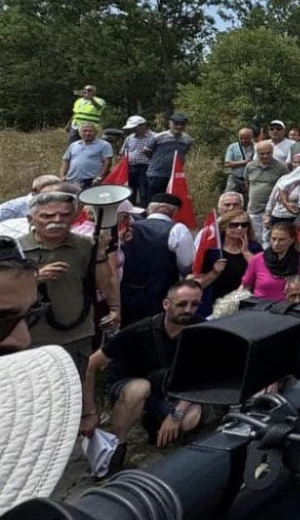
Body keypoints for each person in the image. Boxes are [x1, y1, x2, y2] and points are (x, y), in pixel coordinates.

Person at [81, 280, 204, 477]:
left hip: (172, 391)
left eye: (195, 304)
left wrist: (176, 414)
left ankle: (158, 424)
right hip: (132, 386)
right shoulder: (139, 331)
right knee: (139, 388)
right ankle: (115, 447)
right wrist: (90, 412)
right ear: (166, 304)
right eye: (182, 304)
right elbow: (90, 364)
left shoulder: (202, 330)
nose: (188, 310)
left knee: (189, 419)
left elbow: (202, 377)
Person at [20, 191, 119, 372]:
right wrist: (35, 278)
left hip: (77, 336)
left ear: (74, 216)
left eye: (65, 215)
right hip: (32, 338)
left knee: (75, 384)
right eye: (47, 216)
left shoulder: (85, 245)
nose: (57, 220)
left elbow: (103, 283)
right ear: (31, 219)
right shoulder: (16, 249)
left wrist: (100, 253)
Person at [118, 193, 193, 326]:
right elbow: (186, 264)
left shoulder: (130, 227)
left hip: (126, 293)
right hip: (160, 295)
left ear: (150, 209)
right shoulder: (178, 230)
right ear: (173, 211)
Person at [191, 208, 262, 318]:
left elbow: (263, 272)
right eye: (234, 225)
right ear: (224, 226)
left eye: (244, 225)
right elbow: (196, 283)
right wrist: (214, 273)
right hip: (213, 307)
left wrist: (246, 253)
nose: (240, 228)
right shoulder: (212, 250)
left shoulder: (254, 248)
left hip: (244, 306)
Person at [242, 222, 300, 302]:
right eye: (273, 239)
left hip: (288, 307)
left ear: (292, 240)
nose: (276, 243)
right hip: (261, 307)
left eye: (281, 240)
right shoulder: (257, 259)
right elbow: (246, 287)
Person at [245, 140, 289, 241]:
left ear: (272, 152)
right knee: (254, 238)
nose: (265, 156)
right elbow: (247, 183)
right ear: (257, 153)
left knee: (269, 239)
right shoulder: (250, 166)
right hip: (254, 209)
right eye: (262, 153)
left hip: (273, 211)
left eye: (268, 153)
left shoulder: (281, 167)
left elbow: (286, 188)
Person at [143, 113, 193, 197]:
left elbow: (185, 152)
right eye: (176, 124)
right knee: (154, 200)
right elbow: (146, 150)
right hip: (156, 174)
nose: (179, 127)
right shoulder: (159, 137)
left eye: (182, 124)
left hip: (175, 176)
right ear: (170, 123)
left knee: (171, 200)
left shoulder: (188, 140)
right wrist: (157, 160)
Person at [60, 122, 113, 187]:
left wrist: (99, 177)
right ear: (79, 133)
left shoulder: (104, 145)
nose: (87, 133)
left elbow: (107, 163)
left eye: (90, 131)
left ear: (96, 132)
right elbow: (66, 160)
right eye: (84, 131)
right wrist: (62, 176)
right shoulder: (73, 145)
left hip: (91, 180)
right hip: (72, 179)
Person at [222, 127, 256, 196]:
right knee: (228, 196)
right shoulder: (232, 147)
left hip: (250, 179)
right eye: (241, 138)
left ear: (251, 137)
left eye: (246, 138)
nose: (243, 140)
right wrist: (244, 162)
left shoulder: (256, 147)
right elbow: (227, 163)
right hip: (235, 178)